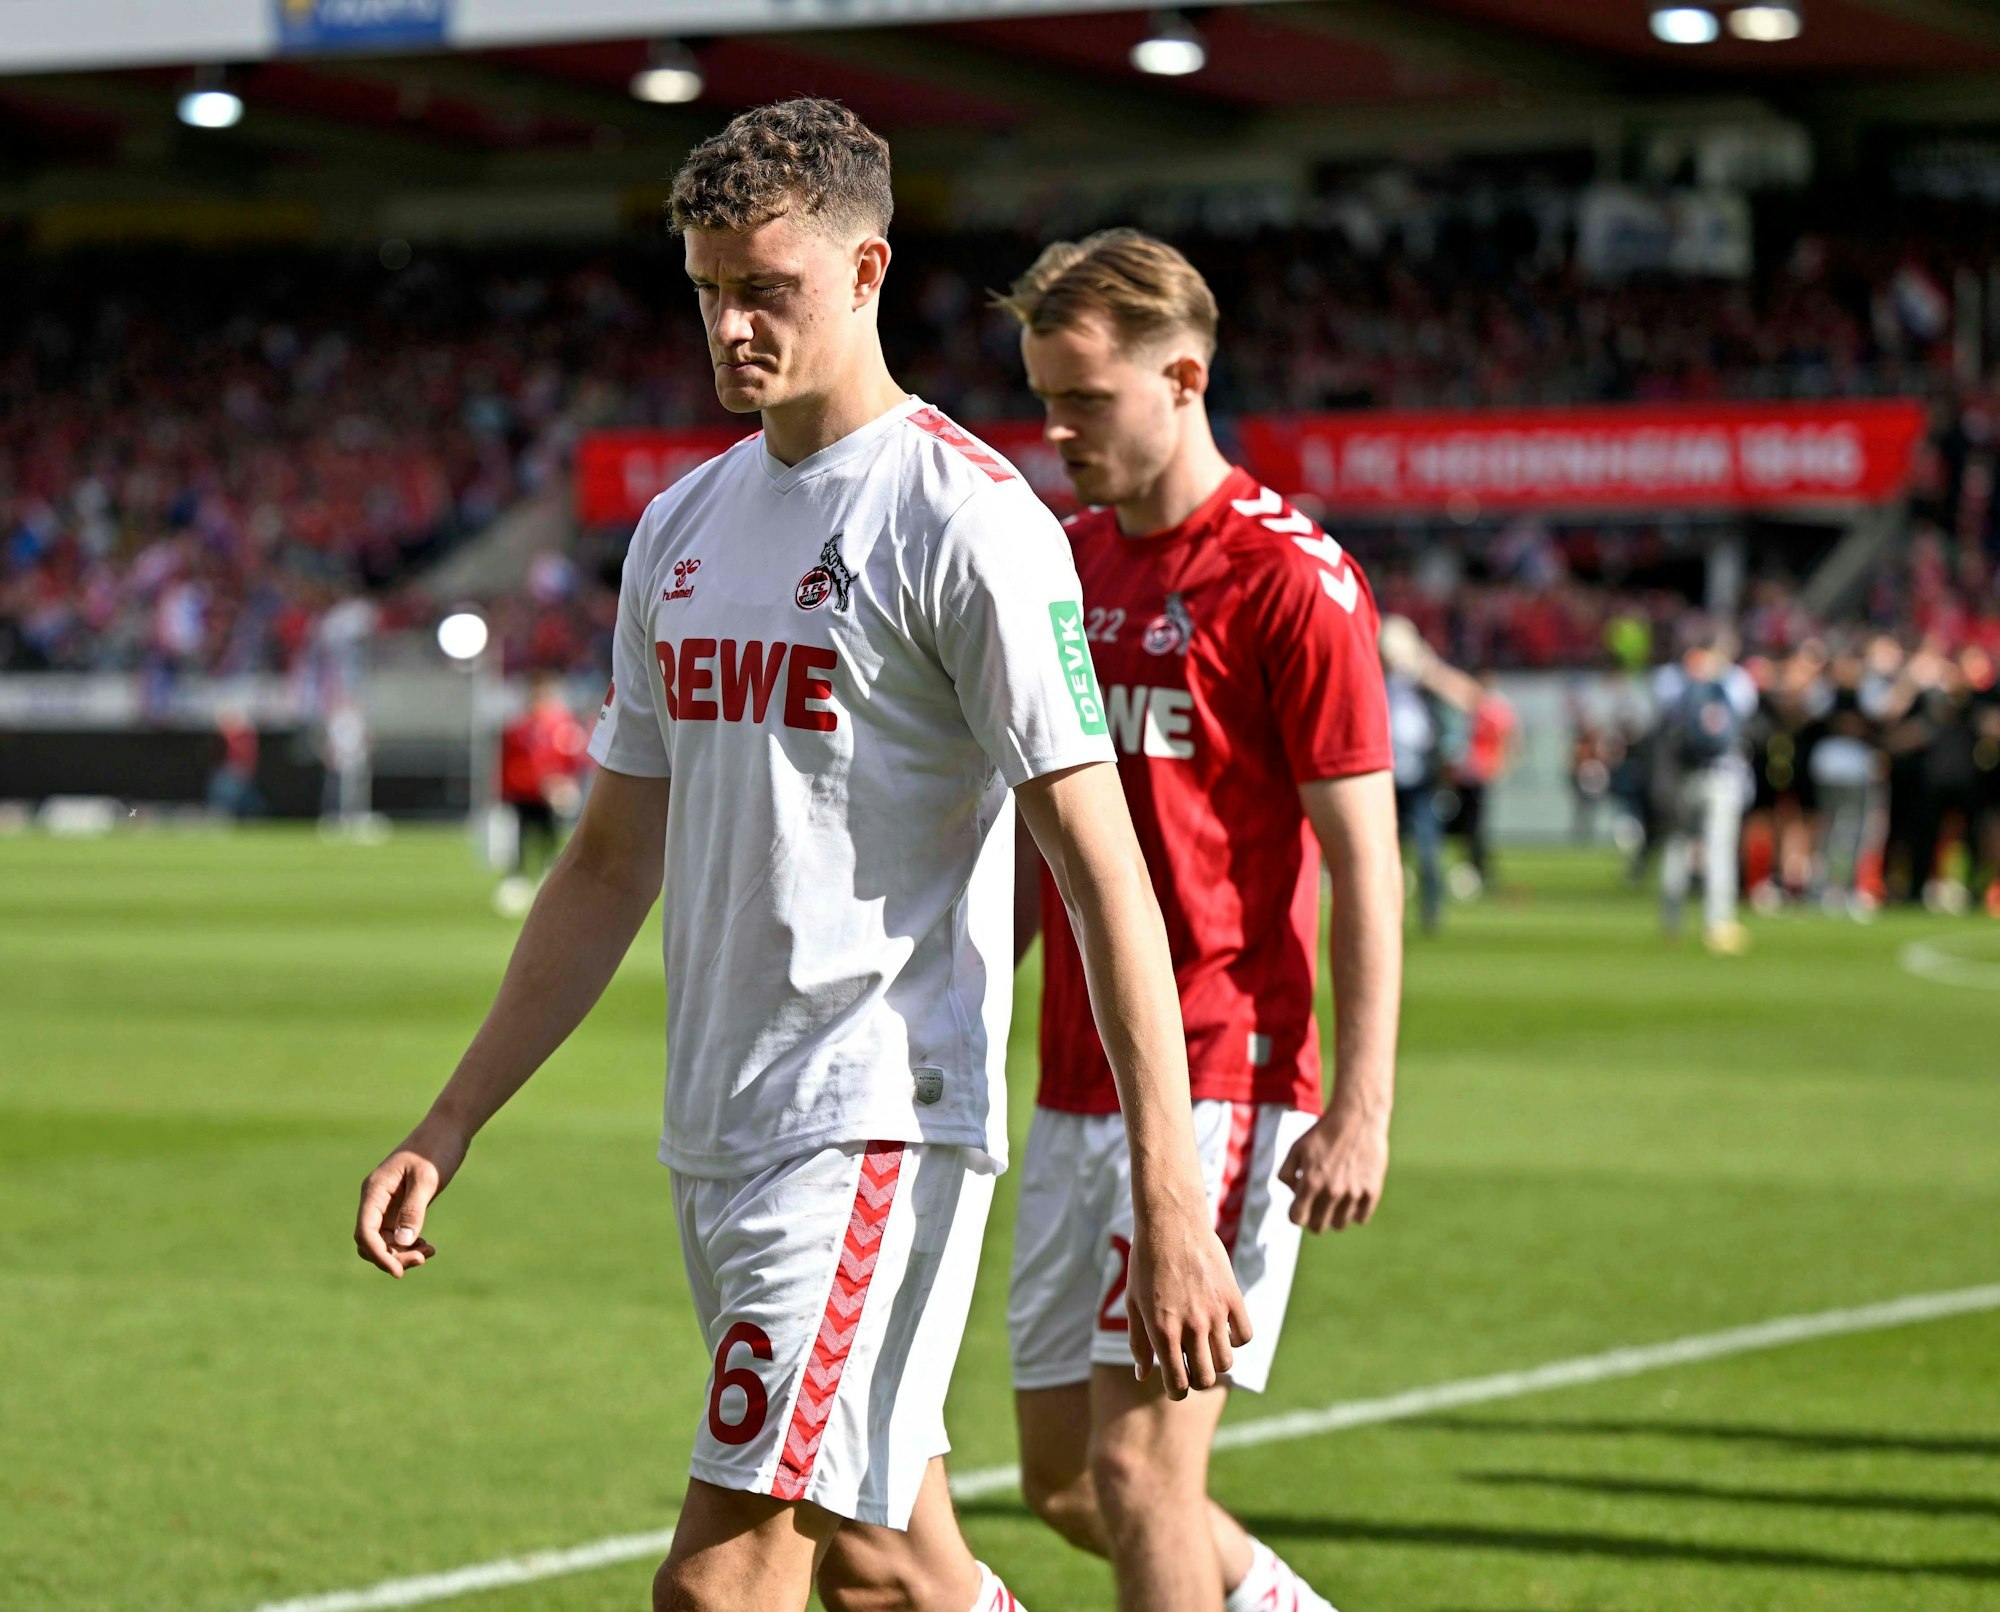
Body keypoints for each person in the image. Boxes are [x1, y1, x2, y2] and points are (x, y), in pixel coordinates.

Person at [351, 102, 1247, 1612]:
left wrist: (1167, 1198)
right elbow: (605, 865)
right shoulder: (681, 526)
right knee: (895, 1575)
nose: (732, 326)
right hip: (718, 1117)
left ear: (866, 270)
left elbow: (1103, 870)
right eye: (708, 289)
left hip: (873, 1120)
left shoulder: (971, 524)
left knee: (721, 1586)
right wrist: (450, 1121)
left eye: (766, 288)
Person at [996, 228, 1402, 1612]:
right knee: (1058, 1481)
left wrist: (1364, 1101)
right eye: (1044, 399)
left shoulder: (1295, 581)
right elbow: (1030, 844)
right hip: (1069, 1078)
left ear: (1183, 376)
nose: (1057, 431)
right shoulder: (1059, 562)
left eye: (1085, 401)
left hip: (1228, 1067)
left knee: (1141, 1476)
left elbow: (1367, 862)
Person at [1654, 626, 1758, 953]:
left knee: (1677, 845)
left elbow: (1664, 714)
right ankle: (1718, 923)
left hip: (1683, 774)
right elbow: (1744, 712)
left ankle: (1670, 922)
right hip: (1721, 774)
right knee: (1719, 849)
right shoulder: (1734, 679)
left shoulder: (1672, 678)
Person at [497, 670, 589, 899]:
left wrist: (565, 783)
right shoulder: (519, 726)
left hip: (550, 793)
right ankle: (518, 876)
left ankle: (548, 873)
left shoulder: (561, 725)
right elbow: (508, 760)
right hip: (522, 789)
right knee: (521, 834)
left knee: (549, 833)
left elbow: (572, 757)